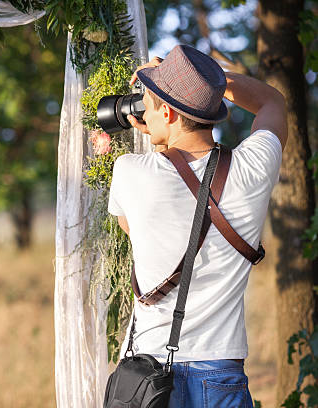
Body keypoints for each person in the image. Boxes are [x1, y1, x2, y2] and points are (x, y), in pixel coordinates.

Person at [108, 44, 286, 407]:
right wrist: (209, 82)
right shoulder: (253, 167)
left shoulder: (130, 170)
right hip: (221, 373)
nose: (143, 108)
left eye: (149, 100)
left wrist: (158, 142)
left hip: (150, 376)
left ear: (169, 113)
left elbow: (137, 231)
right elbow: (273, 103)